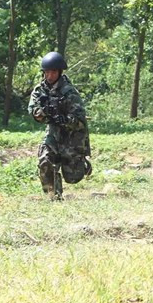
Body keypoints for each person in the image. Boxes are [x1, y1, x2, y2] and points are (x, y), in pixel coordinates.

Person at [28, 52, 91, 201]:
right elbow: (33, 109)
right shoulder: (40, 90)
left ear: (60, 72)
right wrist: (41, 113)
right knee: (45, 160)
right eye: (47, 72)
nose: (50, 76)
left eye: (53, 72)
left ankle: (82, 163)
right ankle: (54, 196)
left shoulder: (70, 92)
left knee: (73, 176)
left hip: (72, 135)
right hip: (53, 132)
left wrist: (65, 119)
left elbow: (80, 120)